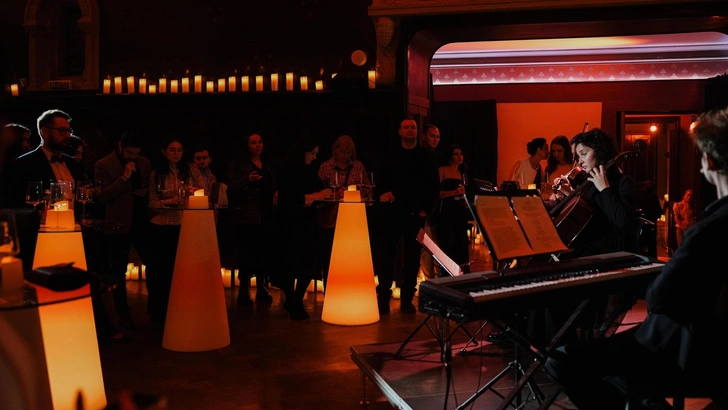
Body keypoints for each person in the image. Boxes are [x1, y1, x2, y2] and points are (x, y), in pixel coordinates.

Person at [544, 107, 728, 410]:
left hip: (684, 350)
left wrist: (604, 191)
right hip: (709, 346)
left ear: (708, 162)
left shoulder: (706, 231)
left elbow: (659, 297)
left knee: (564, 360)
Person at [376, 118, 440, 314]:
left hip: (415, 214)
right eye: (406, 127)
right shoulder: (390, 155)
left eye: (413, 127)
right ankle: (383, 297)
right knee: (387, 256)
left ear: (416, 131)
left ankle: (407, 299)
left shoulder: (426, 156)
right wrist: (382, 195)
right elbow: (380, 180)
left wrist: (425, 210)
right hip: (392, 213)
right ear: (400, 131)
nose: (410, 130)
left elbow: (433, 186)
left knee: (412, 259)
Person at [95, 130, 153, 330]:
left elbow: (148, 188)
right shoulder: (104, 164)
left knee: (153, 263)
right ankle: (122, 314)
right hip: (118, 224)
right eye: (129, 152)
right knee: (118, 271)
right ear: (120, 146)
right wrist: (124, 178)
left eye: (136, 153)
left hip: (141, 221)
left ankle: (155, 310)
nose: (133, 157)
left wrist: (143, 192)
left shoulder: (144, 163)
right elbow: (102, 196)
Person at [146, 136, 205, 327]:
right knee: (160, 273)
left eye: (179, 150)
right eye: (172, 150)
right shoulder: (157, 173)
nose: (176, 153)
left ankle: (181, 312)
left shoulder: (191, 169)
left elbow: (201, 192)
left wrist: (189, 194)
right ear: (164, 151)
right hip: (162, 226)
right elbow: (152, 203)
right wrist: (171, 200)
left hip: (184, 223)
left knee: (182, 271)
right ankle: (159, 314)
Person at [274, 136, 331, 320]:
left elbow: (318, 193)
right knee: (289, 263)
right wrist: (314, 196)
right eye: (312, 153)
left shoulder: (309, 171)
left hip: (306, 223)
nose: (315, 157)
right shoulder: (287, 171)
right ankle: (293, 299)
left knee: (308, 263)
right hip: (289, 224)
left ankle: (295, 299)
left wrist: (313, 196)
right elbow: (291, 199)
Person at [226, 133, 277, 306]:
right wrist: (247, 179)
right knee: (246, 252)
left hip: (266, 213)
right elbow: (230, 186)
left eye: (260, 142)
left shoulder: (268, 163)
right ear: (246, 145)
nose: (257, 145)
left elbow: (274, 182)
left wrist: (276, 191)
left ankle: (261, 286)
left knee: (263, 251)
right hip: (246, 215)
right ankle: (243, 290)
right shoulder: (238, 164)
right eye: (253, 142)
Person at [317, 135, 369, 290]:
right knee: (329, 256)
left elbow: (368, 190)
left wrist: (354, 192)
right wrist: (334, 194)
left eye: (349, 152)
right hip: (330, 219)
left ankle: (349, 289)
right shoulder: (325, 167)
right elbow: (317, 193)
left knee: (350, 257)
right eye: (343, 152)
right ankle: (329, 290)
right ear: (335, 150)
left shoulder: (358, 166)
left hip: (353, 220)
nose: (346, 155)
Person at [433, 144, 470, 273]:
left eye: (461, 154)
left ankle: (462, 273)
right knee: (448, 243)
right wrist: (454, 192)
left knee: (461, 243)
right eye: (456, 154)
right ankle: (447, 273)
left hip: (460, 212)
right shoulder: (442, 170)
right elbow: (436, 193)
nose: (460, 157)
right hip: (446, 212)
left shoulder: (463, 173)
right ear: (450, 156)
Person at [419, 124, 445, 279]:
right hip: (425, 208)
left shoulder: (440, 157)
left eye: (438, 137)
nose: (435, 139)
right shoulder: (419, 155)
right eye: (432, 136)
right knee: (427, 247)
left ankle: (438, 280)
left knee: (437, 248)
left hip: (438, 210)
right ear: (424, 136)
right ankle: (429, 280)